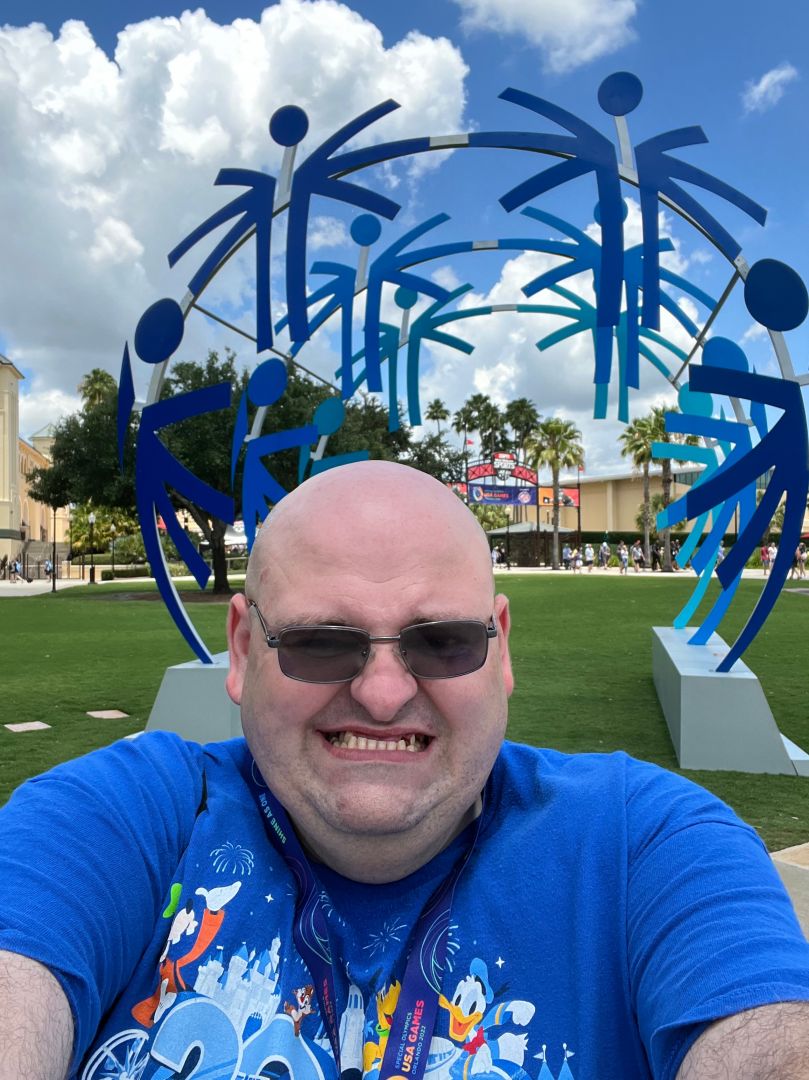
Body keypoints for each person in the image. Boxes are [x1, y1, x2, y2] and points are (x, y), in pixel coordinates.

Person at [1, 461, 808, 1080]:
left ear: (499, 648)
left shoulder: (645, 847)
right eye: (321, 642)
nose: (383, 695)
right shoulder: (111, 821)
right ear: (243, 650)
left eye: (441, 641)